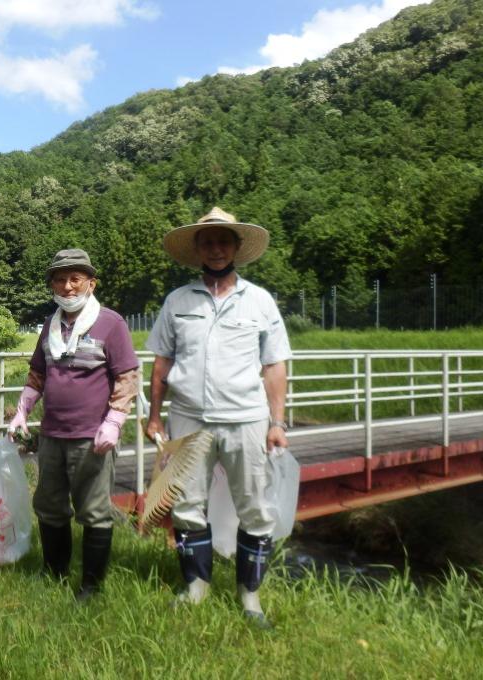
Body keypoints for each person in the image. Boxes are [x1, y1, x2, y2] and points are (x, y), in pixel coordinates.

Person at [144, 207, 291, 627]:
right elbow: (161, 364)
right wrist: (155, 417)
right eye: (207, 242)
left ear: (236, 248)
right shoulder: (177, 301)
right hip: (189, 417)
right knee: (187, 505)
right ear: (197, 250)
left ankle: (250, 596)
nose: (215, 249)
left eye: (223, 241)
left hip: (247, 418)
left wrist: (277, 424)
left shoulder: (260, 301)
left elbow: (275, 366)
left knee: (256, 507)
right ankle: (196, 586)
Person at [8, 249, 139, 601]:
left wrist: (114, 421)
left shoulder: (111, 323)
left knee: (94, 510)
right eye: (60, 279)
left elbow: (127, 376)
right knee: (49, 506)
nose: (67, 286)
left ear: (90, 283)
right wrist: (22, 410)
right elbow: (38, 374)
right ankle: (54, 572)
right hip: (51, 435)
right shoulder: (49, 326)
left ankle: (92, 585)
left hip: (92, 437)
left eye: (75, 278)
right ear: (52, 284)